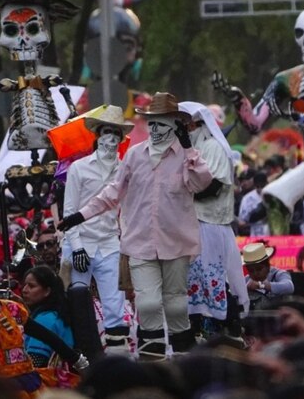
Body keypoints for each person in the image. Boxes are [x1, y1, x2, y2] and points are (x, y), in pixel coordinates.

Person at [59, 92, 213, 358]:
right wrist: (79, 216)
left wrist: (188, 149)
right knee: (148, 303)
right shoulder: (133, 156)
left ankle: (183, 359)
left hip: (176, 243)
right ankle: (150, 361)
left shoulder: (187, 157)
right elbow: (111, 194)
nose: (154, 128)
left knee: (176, 306)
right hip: (139, 244)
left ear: (175, 125)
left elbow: (201, 184)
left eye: (160, 123)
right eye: (150, 122)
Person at [215, 7, 304, 234]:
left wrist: (300, 117)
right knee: (274, 196)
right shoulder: (286, 78)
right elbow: (254, 123)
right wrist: (239, 100)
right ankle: (280, 256)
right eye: (300, 34)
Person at [0, 253, 87, 397]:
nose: (1, 274)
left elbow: (48, 337)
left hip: (31, 384)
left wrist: (79, 362)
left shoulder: (12, 309)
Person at [63, 105, 133, 353]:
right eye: (106, 132)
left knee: (115, 303)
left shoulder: (126, 169)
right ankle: (82, 352)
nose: (111, 138)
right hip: (79, 240)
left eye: (116, 133)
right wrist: (77, 248)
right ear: (97, 135)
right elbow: (69, 212)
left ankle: (117, 355)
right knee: (78, 299)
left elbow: (129, 209)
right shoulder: (78, 169)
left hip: (110, 242)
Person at [178, 101, 250, 328]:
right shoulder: (190, 151)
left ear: (201, 125)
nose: (188, 131)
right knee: (194, 281)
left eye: (190, 126)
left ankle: (230, 328)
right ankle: (199, 331)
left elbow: (213, 187)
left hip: (210, 225)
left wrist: (181, 196)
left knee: (215, 279)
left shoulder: (213, 148)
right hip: (193, 225)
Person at [22, 266, 78, 388]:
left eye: (31, 286)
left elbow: (36, 362)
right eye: (25, 285)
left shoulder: (45, 319)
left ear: (47, 291)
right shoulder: (57, 315)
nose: (24, 290)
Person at [242, 242, 294, 309]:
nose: (255, 273)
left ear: (267, 266)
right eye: (251, 271)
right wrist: (245, 288)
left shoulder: (278, 274)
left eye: (259, 269)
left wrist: (265, 285)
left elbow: (289, 287)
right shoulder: (247, 280)